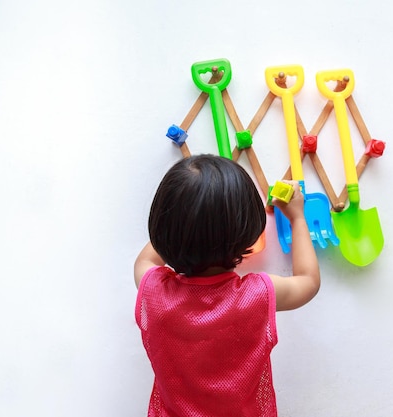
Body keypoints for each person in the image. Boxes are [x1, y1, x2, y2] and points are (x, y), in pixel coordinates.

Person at [134, 154, 320, 417]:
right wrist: (298, 219)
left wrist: (184, 223)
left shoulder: (154, 291)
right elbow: (308, 281)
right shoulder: (256, 295)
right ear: (246, 232)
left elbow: (146, 259)